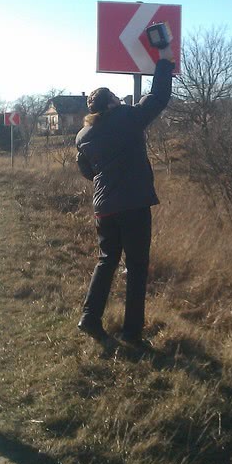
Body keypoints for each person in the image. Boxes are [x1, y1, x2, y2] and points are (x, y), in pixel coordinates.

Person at [76, 46, 175, 347]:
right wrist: (164, 61)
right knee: (136, 267)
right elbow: (157, 98)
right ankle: (132, 333)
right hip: (133, 204)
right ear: (112, 103)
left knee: (106, 260)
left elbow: (86, 171)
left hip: (104, 208)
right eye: (117, 99)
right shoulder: (127, 118)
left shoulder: (83, 137)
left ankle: (90, 317)